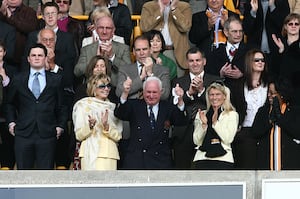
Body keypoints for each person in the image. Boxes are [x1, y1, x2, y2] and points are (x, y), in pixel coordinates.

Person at [5, 43, 68, 169]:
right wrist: (11, 122)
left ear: (45, 58)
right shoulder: (18, 78)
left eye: (40, 55)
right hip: (23, 133)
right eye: (33, 55)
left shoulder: (56, 79)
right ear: (28, 58)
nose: (37, 58)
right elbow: (9, 103)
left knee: (45, 177)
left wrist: (60, 126)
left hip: (47, 133)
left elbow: (62, 106)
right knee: (23, 176)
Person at [114, 76, 188, 169]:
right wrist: (125, 93)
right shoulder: (135, 105)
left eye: (154, 92)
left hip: (161, 161)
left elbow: (182, 121)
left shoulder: (168, 107)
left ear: (161, 92)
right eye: (148, 92)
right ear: (143, 92)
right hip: (137, 161)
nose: (151, 96)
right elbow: (119, 113)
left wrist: (180, 100)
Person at [171, 47, 220, 169]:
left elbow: (218, 104)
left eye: (198, 60)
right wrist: (188, 93)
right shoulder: (177, 82)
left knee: (205, 171)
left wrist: (202, 91)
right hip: (183, 132)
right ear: (187, 63)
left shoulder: (215, 80)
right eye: (191, 61)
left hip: (207, 130)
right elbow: (174, 108)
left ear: (204, 61)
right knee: (182, 172)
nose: (195, 63)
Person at [72, 74, 122, 170]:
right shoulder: (83, 105)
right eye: (102, 86)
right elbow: (78, 135)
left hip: (109, 154)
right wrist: (90, 126)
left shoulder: (113, 108)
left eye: (108, 86)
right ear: (94, 88)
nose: (106, 89)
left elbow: (118, 136)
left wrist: (106, 126)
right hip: (88, 152)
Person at [205, 16, 249, 122]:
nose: (238, 35)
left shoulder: (250, 50)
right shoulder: (215, 52)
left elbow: (258, 72)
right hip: (221, 102)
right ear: (226, 32)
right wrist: (220, 74)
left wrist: (243, 74)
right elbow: (208, 74)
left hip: (242, 97)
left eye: (240, 31)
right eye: (234, 31)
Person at [232, 49, 269, 169]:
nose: (260, 62)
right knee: (246, 165)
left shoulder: (269, 84)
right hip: (245, 130)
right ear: (249, 62)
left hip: (265, 130)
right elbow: (234, 107)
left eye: (262, 60)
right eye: (257, 60)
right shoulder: (239, 84)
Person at [193, 81, 239, 169]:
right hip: (202, 158)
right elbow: (196, 141)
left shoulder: (232, 114)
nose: (214, 97)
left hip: (223, 159)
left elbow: (228, 139)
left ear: (224, 96)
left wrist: (215, 123)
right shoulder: (201, 114)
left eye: (218, 94)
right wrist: (204, 125)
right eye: (211, 94)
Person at [140, 0, 192, 77]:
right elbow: (144, 27)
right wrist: (159, 11)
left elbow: (185, 27)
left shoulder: (184, 6)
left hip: (175, 53)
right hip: (153, 53)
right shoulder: (148, 6)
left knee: (175, 84)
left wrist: (174, 9)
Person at [74, 16, 131, 84]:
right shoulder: (86, 49)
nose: (104, 31)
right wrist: (95, 59)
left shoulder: (123, 48)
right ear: (96, 29)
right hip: (92, 89)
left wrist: (112, 57)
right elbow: (77, 72)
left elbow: (129, 70)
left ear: (113, 30)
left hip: (115, 90)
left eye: (108, 28)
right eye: (101, 28)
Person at [242, 0, 289, 77]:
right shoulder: (251, 2)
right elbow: (246, 30)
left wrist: (272, 7)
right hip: (255, 52)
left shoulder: (282, 2)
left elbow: (284, 27)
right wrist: (253, 12)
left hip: (275, 52)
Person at [115, 35, 170, 100]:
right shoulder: (124, 69)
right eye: (138, 50)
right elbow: (119, 93)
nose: (141, 53)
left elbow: (165, 95)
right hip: (131, 108)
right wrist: (141, 77)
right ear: (134, 52)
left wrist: (150, 75)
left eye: (144, 49)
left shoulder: (163, 70)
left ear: (150, 50)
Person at [272, 13, 300, 108]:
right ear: (285, 26)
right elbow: (275, 68)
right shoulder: (278, 44)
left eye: (296, 24)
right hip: (282, 90)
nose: (293, 26)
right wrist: (281, 51)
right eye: (290, 24)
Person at [0, 0, 38, 67]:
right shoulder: (1, 11)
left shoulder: (29, 11)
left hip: (22, 59)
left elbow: (30, 28)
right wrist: (2, 13)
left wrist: (10, 17)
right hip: (4, 59)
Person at [0, 40, 17, 170]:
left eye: (0, 51)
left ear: (4, 53)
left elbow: (14, 92)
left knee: (7, 145)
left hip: (5, 113)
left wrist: (4, 77)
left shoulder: (12, 69)